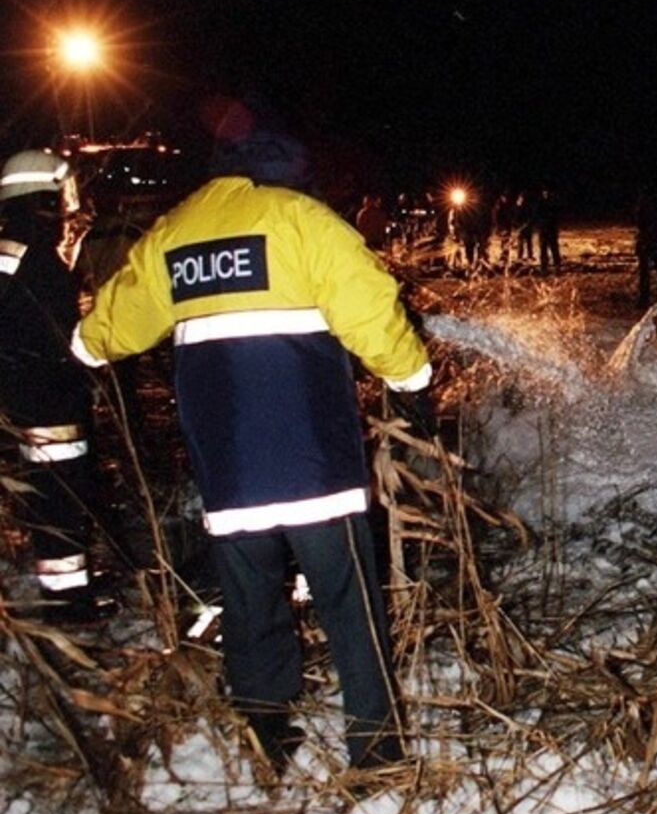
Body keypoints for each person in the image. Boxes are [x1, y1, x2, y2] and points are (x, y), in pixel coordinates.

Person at [71, 123, 433, 773]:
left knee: (250, 605)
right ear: (286, 172)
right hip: (314, 463)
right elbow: (369, 307)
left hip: (230, 470)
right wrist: (412, 377)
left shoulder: (175, 235)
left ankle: (268, 733)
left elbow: (117, 319)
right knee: (349, 603)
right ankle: (375, 749)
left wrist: (80, 347)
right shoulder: (301, 220)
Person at [0, 150, 117, 622]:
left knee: (47, 493)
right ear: (43, 201)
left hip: (22, 397)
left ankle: (69, 586)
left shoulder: (9, 250)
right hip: (49, 401)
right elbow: (59, 339)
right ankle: (67, 601)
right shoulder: (41, 263)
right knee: (61, 497)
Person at [634, 187, 657, 309]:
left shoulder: (645, 205)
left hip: (652, 241)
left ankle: (646, 299)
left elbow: (639, 222)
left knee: (652, 273)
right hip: (655, 241)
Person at [536, 186, 561, 273]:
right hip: (543, 230)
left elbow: (557, 216)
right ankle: (544, 267)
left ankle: (557, 266)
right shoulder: (540, 203)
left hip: (551, 229)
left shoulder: (553, 203)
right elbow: (536, 215)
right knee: (543, 249)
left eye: (547, 192)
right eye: (544, 192)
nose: (545, 194)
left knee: (554, 248)